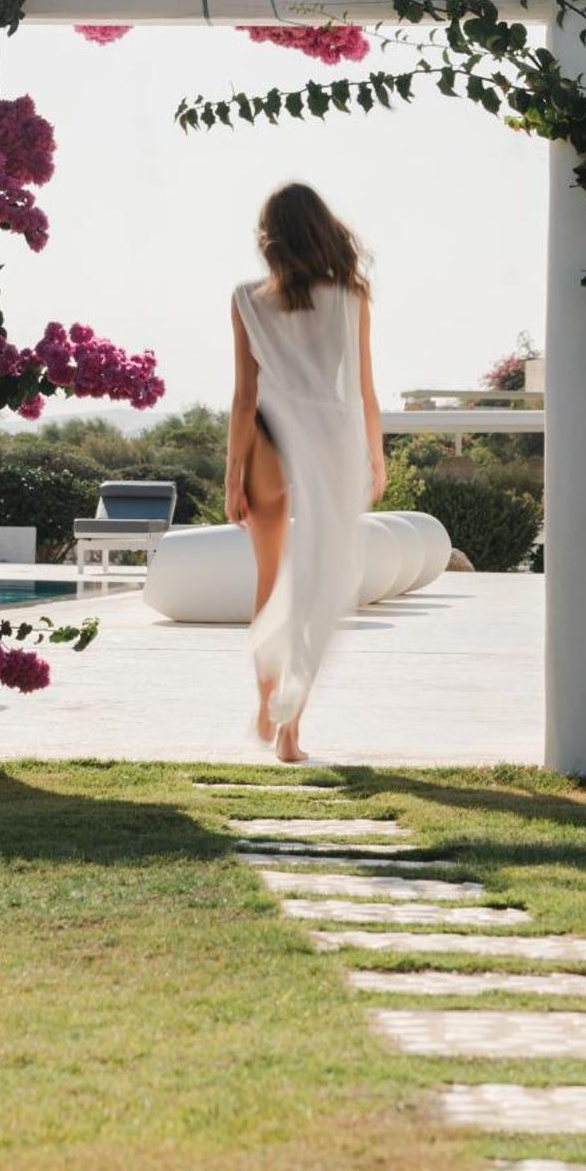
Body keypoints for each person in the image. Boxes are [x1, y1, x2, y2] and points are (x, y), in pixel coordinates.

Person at [226, 183, 386, 763]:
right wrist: (376, 456)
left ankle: (269, 706)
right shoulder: (350, 295)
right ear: (322, 229)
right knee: (320, 583)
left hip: (268, 438)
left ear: (270, 238)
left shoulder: (247, 298)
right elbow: (364, 389)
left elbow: (245, 397)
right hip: (331, 441)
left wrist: (232, 473)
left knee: (269, 585)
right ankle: (291, 729)